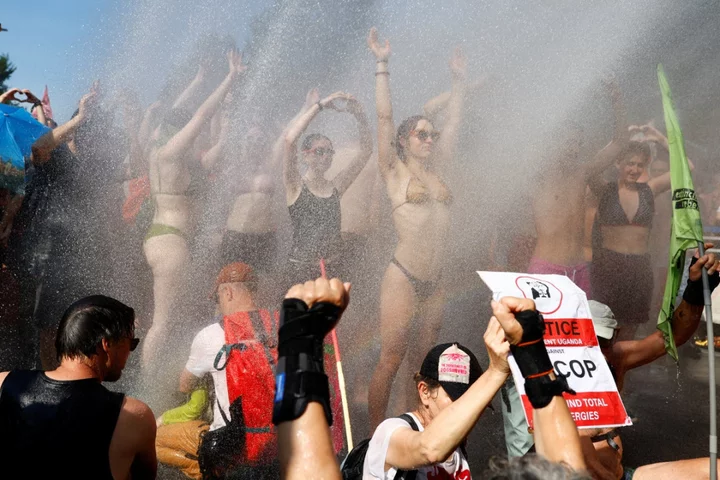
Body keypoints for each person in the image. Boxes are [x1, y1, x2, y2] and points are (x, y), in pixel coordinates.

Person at [273, 277, 588, 480]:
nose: (470, 408)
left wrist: (531, 350)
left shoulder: (460, 456)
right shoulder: (392, 433)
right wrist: (498, 370)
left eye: (471, 395)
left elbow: (568, 473)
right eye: (456, 395)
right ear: (424, 391)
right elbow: (427, 449)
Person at [366, 27, 468, 428]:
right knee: (391, 356)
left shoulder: (439, 171)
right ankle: (374, 439)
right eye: (421, 134)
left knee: (423, 361)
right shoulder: (394, 172)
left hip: (436, 279)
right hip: (403, 276)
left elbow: (455, 122)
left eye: (431, 134)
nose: (429, 139)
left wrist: (458, 81)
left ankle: (412, 426)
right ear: (405, 140)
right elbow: (384, 115)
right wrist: (382, 64)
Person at [142, 50, 246, 367]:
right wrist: (229, 78)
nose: (196, 133)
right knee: (162, 322)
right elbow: (199, 115)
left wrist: (198, 81)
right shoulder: (170, 152)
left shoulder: (162, 151)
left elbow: (180, 114)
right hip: (171, 241)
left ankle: (171, 378)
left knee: (173, 319)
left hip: (164, 237)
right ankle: (147, 391)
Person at [0, 295, 156, 479]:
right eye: (132, 343)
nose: (130, 353)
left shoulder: (3, 384)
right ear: (106, 344)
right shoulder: (134, 416)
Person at [155, 262, 279, 479]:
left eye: (218, 299)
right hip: (281, 445)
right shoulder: (282, 325)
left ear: (228, 292)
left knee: (155, 437)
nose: (218, 305)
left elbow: (184, 384)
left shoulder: (211, 334)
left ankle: (207, 471)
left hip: (232, 447)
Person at [530, 77, 629, 297]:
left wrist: (617, 101)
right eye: (568, 143)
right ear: (552, 143)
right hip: (547, 270)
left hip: (579, 270)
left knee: (579, 332)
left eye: (577, 144)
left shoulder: (581, 172)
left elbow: (620, 142)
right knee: (544, 332)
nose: (574, 150)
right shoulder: (537, 177)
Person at [590, 124, 681, 340]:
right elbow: (590, 168)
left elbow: (686, 167)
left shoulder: (649, 189)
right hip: (608, 267)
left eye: (640, 165)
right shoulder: (604, 190)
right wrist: (618, 141)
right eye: (630, 163)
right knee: (602, 331)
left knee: (629, 332)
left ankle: (623, 374)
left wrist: (658, 137)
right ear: (618, 163)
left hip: (639, 269)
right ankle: (605, 373)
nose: (634, 169)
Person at [282, 88, 372, 284]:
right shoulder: (295, 186)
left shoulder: (335, 187)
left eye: (329, 152)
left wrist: (360, 116)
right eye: (319, 151)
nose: (325, 156)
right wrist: (320, 106)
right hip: (301, 270)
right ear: (305, 155)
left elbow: (366, 151)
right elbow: (289, 141)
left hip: (333, 268)